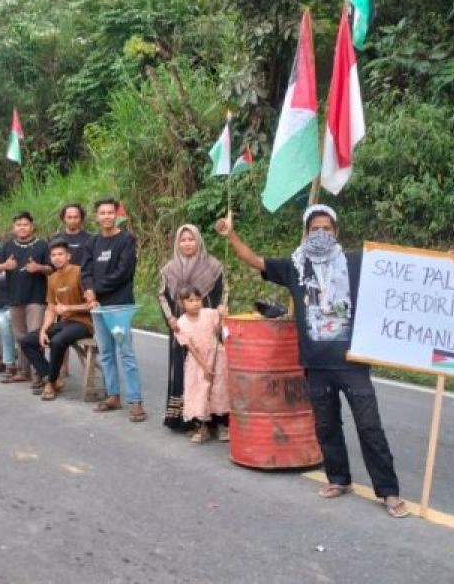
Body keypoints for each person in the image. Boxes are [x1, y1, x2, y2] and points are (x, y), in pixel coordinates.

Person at [216, 204, 409, 518]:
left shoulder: (356, 262)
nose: (320, 234)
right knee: (326, 424)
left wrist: (449, 262)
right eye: (314, 229)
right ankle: (338, 479)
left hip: (352, 363)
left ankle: (389, 492)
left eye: (326, 229)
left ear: (336, 232)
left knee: (369, 426)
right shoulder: (295, 267)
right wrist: (231, 234)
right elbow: (255, 260)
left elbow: (403, 270)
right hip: (316, 366)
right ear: (305, 234)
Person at [82, 197, 145, 422]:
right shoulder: (92, 242)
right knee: (106, 353)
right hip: (98, 307)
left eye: (110, 212)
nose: (106, 216)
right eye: (102, 213)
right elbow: (85, 270)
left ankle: (136, 401)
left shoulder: (127, 240)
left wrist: (95, 291)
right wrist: (88, 291)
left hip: (120, 306)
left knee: (125, 353)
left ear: (116, 214)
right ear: (96, 216)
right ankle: (112, 395)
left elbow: (123, 272)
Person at [159, 224, 225, 433]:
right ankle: (188, 418)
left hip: (208, 328)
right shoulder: (169, 269)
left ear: (199, 241)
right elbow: (162, 295)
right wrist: (170, 318)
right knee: (184, 370)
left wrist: (219, 317)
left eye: (191, 239)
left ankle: (216, 418)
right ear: (178, 243)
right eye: (183, 240)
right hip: (182, 327)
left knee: (211, 371)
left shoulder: (214, 266)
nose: (187, 243)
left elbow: (223, 294)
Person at [20, 239, 94, 400]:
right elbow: (51, 307)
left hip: (84, 323)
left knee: (57, 341)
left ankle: (50, 384)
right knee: (28, 340)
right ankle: (51, 376)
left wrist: (69, 308)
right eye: (53, 255)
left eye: (60, 254)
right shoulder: (52, 278)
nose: (57, 258)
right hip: (65, 323)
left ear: (69, 256)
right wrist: (43, 330)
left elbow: (93, 305)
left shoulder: (80, 273)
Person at [0, 212, 49, 386]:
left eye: (25, 224)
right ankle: (24, 371)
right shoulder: (8, 246)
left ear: (31, 226)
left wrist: (38, 267)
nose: (22, 227)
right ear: (13, 228)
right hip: (15, 298)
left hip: (36, 298)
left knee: (34, 336)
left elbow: (52, 268)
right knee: (21, 337)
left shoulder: (42, 245)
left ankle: (39, 372)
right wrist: (4, 266)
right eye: (18, 225)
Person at [166, 287, 230, 443]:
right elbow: (191, 349)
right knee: (199, 392)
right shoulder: (180, 323)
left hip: (217, 359)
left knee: (218, 391)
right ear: (182, 304)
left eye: (198, 299)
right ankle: (202, 427)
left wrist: (224, 315)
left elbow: (223, 330)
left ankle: (222, 426)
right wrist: (205, 367)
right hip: (198, 364)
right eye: (190, 301)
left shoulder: (209, 314)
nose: (195, 303)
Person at [51, 203, 92, 268]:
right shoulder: (55, 239)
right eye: (69, 217)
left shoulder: (90, 239)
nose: (72, 220)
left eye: (76, 217)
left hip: (84, 277)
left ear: (81, 218)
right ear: (63, 218)